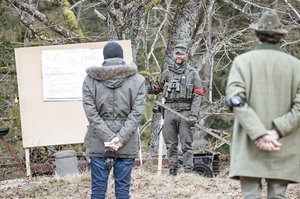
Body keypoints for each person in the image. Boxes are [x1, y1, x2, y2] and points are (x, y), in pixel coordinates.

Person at [226, 10, 300, 199]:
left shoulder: (242, 62)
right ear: (280, 37)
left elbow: (236, 100)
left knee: (250, 196)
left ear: (257, 35)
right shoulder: (296, 66)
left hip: (249, 143)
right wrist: (276, 132)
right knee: (278, 196)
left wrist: (259, 134)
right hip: (282, 143)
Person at [82, 41, 146, 199]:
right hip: (126, 143)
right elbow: (137, 113)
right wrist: (119, 139)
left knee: (97, 191)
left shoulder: (90, 80)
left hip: (98, 143)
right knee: (123, 191)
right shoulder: (138, 80)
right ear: (122, 57)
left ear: (104, 57)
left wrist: (108, 139)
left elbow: (91, 114)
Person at [147, 43, 204, 176]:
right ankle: (172, 170)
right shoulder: (166, 73)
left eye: (181, 54)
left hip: (186, 112)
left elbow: (198, 95)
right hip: (169, 112)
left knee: (186, 144)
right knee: (170, 144)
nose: (179, 56)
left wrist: (194, 115)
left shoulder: (193, 74)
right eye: (176, 54)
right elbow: (157, 88)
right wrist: (148, 87)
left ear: (186, 55)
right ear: (173, 55)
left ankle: (188, 171)